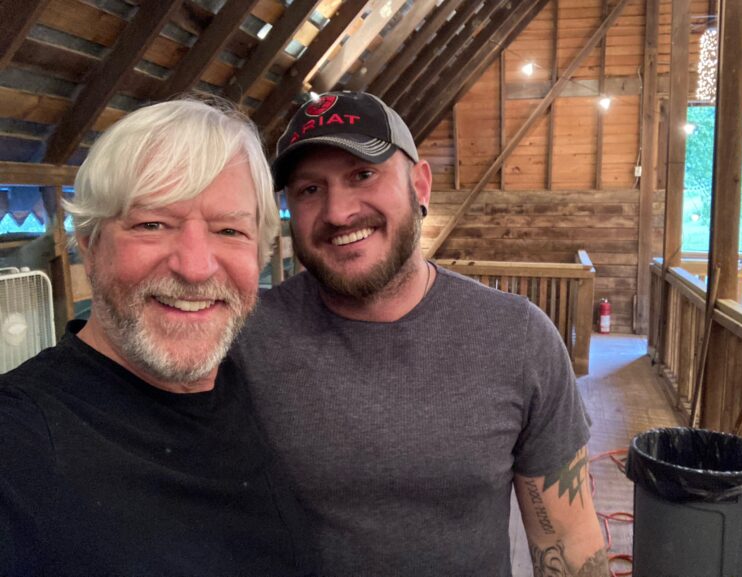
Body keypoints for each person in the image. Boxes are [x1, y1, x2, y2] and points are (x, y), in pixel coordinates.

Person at [233, 91, 609, 576]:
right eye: (309, 190)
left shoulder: (517, 338)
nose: (338, 212)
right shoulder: (244, 337)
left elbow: (569, 540)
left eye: (362, 175)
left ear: (421, 185)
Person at [0, 99, 315, 577]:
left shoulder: (268, 390)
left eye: (229, 230)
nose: (194, 267)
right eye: (152, 224)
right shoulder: (21, 439)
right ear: (88, 242)